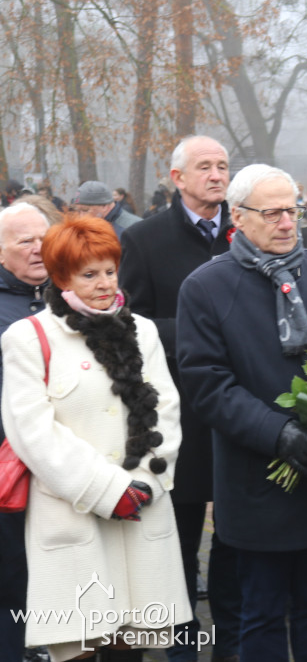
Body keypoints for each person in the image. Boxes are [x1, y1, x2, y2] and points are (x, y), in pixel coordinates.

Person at [176, 164, 307, 661]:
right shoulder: (206, 287)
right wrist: (278, 433)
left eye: (293, 210)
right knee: (259, 613)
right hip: (260, 479)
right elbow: (208, 385)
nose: (288, 222)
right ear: (238, 219)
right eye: (274, 213)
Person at [0, 215, 191, 662]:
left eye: (110, 270)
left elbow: (166, 408)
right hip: (73, 513)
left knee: (131, 647)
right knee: (81, 645)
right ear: (61, 276)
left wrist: (146, 479)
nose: (104, 283)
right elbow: (32, 431)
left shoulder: (142, 330)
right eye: (89, 274)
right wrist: (108, 490)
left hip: (142, 511)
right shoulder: (28, 338)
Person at [119, 135, 241, 662]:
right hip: (180, 409)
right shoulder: (145, 239)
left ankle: (231, 643)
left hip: (240, 406)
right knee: (182, 535)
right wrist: (203, 331)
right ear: (178, 178)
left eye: (223, 166)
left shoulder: (246, 232)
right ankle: (183, 643)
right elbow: (130, 322)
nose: (217, 175)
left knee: (236, 533)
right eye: (205, 167)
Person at [0, 204, 50, 662]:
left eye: (43, 238)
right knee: (13, 580)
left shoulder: (74, 294)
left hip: (64, 471)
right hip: (9, 472)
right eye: (24, 242)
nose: (38, 249)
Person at [70, 180, 141, 238]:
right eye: (78, 210)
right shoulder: (90, 226)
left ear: (104, 206)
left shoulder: (133, 229)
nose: (81, 217)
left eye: (85, 210)